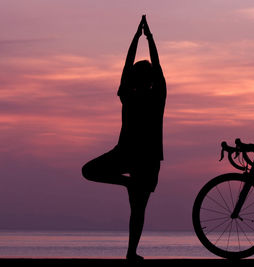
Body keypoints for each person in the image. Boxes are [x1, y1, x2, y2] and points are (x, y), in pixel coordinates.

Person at [82, 15, 166, 261]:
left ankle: (131, 253)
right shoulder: (147, 96)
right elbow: (149, 67)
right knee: (135, 206)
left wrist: (140, 38)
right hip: (132, 155)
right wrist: (148, 38)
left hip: (141, 157)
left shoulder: (133, 95)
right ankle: (128, 184)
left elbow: (134, 67)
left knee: (137, 209)